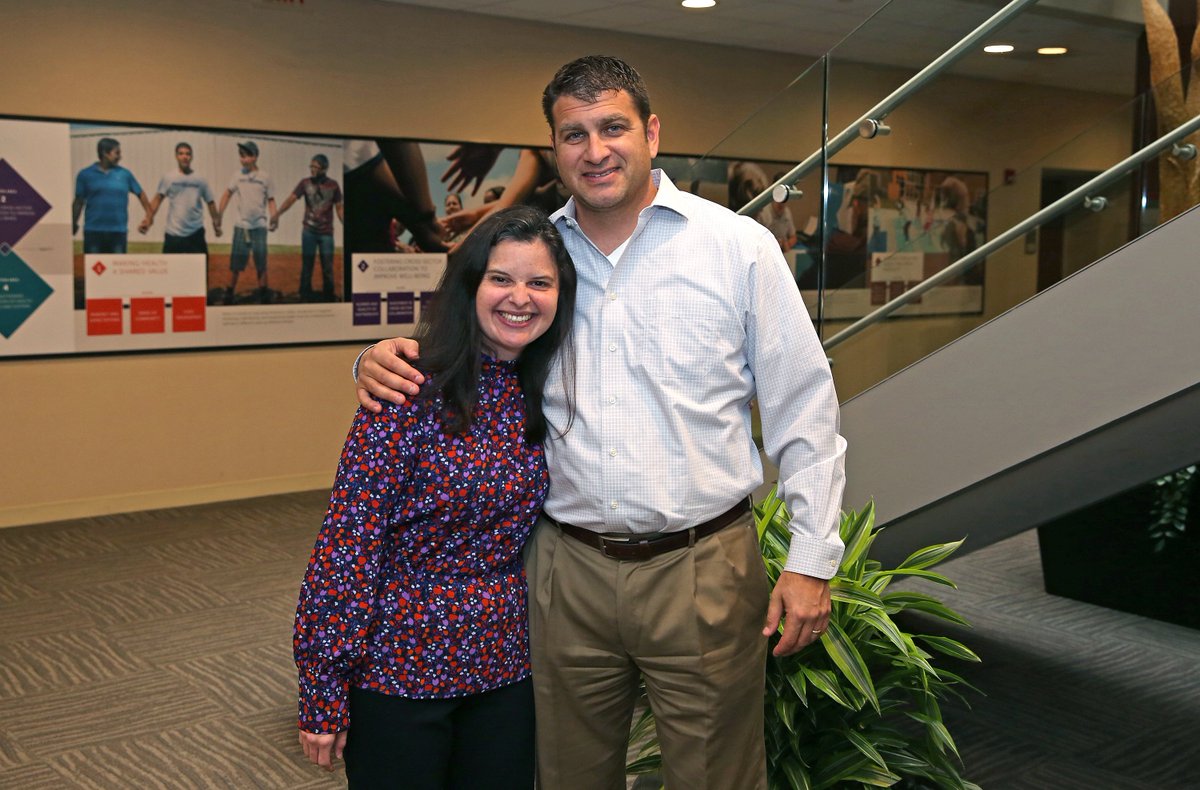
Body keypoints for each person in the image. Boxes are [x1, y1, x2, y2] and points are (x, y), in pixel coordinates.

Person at [356, 55, 846, 790]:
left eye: (612, 127)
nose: (595, 150)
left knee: (715, 775)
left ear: (651, 131)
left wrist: (811, 559)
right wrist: (374, 357)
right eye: (573, 133)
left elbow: (803, 406)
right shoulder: (534, 258)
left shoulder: (735, 248)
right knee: (564, 774)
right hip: (566, 570)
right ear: (555, 149)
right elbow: (460, 349)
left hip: (702, 565)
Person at [296, 205, 576, 788]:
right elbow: (348, 549)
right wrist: (322, 687)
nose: (519, 297)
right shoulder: (407, 392)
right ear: (470, 285)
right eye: (500, 278)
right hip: (400, 668)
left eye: (539, 282)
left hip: (504, 668)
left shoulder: (549, 391)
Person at [276, 154, 344, 301]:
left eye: (316, 167)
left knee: (328, 267)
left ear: (324, 169)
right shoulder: (305, 183)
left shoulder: (334, 185)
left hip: (326, 234)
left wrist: (345, 221)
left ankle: (328, 295)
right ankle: (305, 294)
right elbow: (291, 199)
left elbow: (339, 208)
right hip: (309, 232)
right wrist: (278, 213)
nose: (312, 169)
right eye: (311, 166)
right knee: (307, 265)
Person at [217, 140, 277, 304]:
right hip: (241, 226)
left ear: (255, 156)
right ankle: (229, 294)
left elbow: (271, 200)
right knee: (235, 264)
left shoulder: (265, 177)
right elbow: (227, 194)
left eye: (246, 156)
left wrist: (274, 217)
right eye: (241, 156)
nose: (243, 159)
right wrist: (219, 215)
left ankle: (263, 294)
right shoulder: (237, 176)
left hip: (259, 227)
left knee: (261, 264)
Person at [72, 137, 153, 254]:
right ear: (105, 153)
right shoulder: (85, 175)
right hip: (93, 232)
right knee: (94, 271)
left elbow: (140, 193)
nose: (120, 156)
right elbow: (79, 201)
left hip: (118, 233)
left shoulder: (125, 174)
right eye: (117, 153)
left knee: (116, 270)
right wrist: (73, 223)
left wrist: (149, 217)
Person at [139, 141, 223, 253]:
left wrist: (216, 223)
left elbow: (210, 202)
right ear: (176, 156)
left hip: (195, 233)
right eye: (181, 153)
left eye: (188, 154)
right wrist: (148, 219)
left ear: (191, 157)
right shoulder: (169, 178)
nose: (185, 157)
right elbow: (157, 199)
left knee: (200, 270)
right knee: (171, 270)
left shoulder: (200, 180)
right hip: (173, 234)